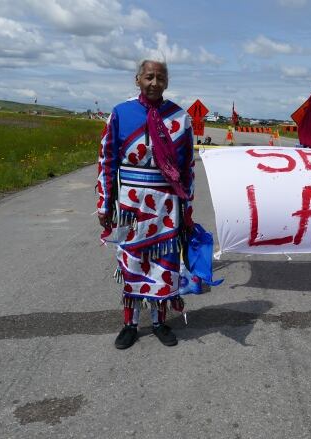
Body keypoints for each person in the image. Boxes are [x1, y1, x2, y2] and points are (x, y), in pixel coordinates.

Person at [96, 59, 195, 349]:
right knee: (132, 263)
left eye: (160, 78)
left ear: (167, 82)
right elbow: (107, 161)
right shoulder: (120, 114)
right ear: (137, 79)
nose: (154, 83)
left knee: (163, 264)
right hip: (131, 208)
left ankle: (159, 321)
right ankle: (130, 324)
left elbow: (187, 167)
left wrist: (186, 210)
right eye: (149, 77)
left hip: (166, 207)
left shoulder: (179, 118)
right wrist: (105, 203)